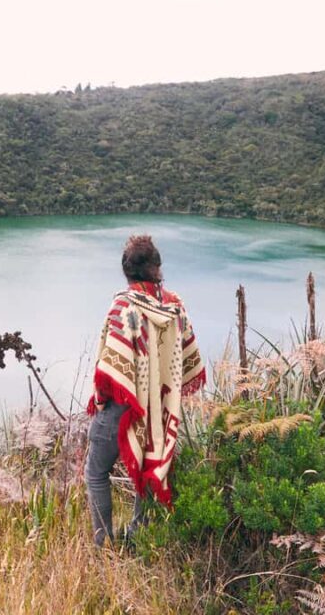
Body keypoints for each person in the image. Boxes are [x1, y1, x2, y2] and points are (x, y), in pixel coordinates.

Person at [85, 234, 206, 546]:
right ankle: (138, 536)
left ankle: (103, 544)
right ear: (157, 267)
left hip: (122, 408)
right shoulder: (175, 306)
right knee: (149, 463)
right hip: (159, 407)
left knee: (96, 472)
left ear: (127, 271)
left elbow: (108, 366)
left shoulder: (123, 306)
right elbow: (188, 355)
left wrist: (99, 402)